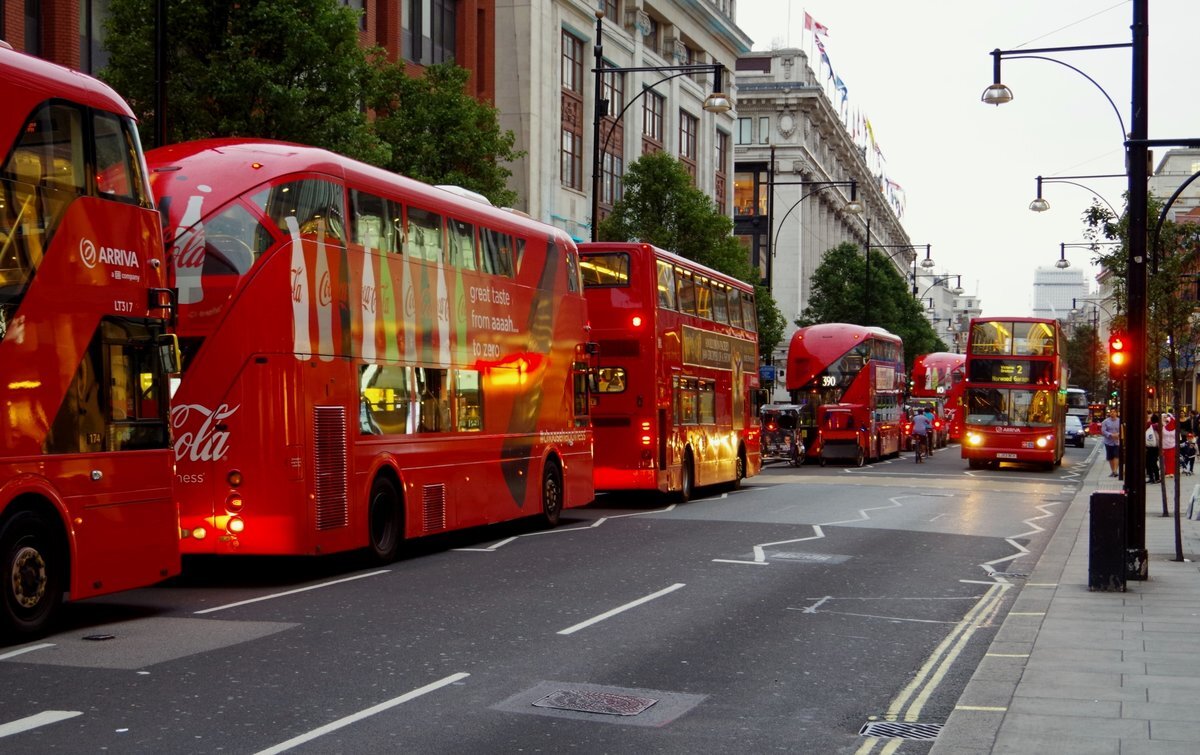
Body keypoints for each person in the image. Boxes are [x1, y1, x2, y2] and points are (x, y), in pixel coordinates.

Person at [1100, 408, 1121, 478]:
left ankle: (1115, 471)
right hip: (1108, 442)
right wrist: (1111, 435)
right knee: (1110, 457)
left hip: (1117, 442)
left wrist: (1118, 434)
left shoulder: (1119, 421)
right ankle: (1113, 471)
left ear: (1116, 413)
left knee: (1116, 455)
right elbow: (1103, 431)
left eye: (1114, 412)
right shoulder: (1105, 422)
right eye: (1111, 412)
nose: (1112, 413)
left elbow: (1122, 429)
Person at [1146, 413, 1161, 484]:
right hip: (1156, 447)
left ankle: (1152, 477)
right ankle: (1157, 477)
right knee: (1153, 462)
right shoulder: (1159, 426)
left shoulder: (1150, 425)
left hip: (1150, 447)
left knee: (1149, 462)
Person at [1161, 411, 1177, 478]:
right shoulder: (1162, 426)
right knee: (1166, 459)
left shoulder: (1174, 428)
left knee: (1172, 459)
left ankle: (1171, 472)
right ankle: (1167, 471)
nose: (1167, 422)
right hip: (1164, 445)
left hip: (1172, 445)